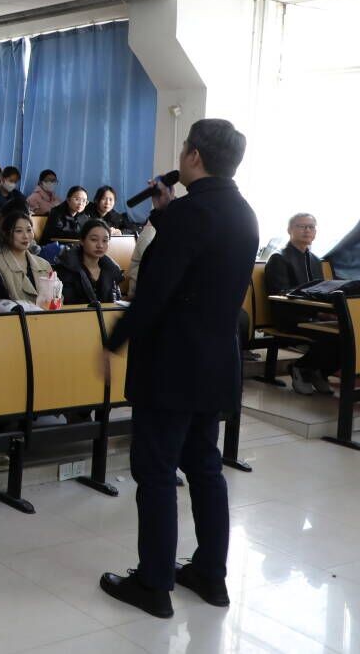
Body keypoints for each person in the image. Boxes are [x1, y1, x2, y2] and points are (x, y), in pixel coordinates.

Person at [98, 119, 258, 620]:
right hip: (215, 361)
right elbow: (202, 267)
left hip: (171, 364)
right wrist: (167, 214)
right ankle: (210, 574)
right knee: (205, 467)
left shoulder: (191, 214)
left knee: (157, 471)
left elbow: (156, 292)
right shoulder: (243, 211)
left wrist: (114, 341)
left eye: (185, 147)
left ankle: (153, 583)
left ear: (193, 157)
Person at [265, 213, 336, 395]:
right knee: (333, 336)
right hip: (290, 317)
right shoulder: (279, 258)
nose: (307, 230)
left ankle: (318, 372)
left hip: (314, 316)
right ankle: (300, 367)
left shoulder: (315, 260)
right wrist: (319, 314)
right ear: (290, 230)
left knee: (349, 331)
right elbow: (281, 294)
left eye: (311, 227)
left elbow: (321, 292)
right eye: (302, 226)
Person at [0, 211, 53, 306]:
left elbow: (57, 297)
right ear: (6, 233)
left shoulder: (44, 264)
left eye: (29, 230)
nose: (25, 236)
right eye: (18, 231)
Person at [54, 218, 123, 306]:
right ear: (82, 241)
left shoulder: (112, 269)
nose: (100, 245)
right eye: (94, 239)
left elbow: (116, 302)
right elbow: (68, 303)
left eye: (105, 240)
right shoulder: (67, 267)